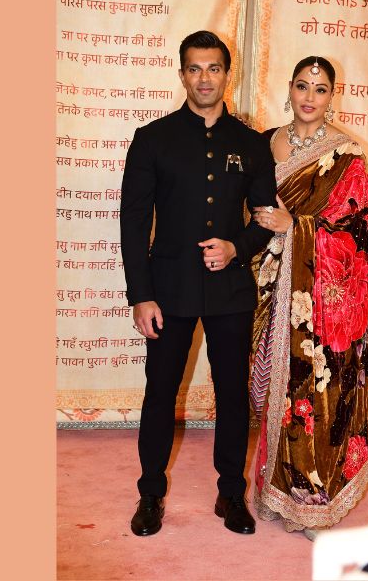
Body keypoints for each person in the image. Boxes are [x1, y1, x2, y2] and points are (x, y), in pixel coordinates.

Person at [120, 30, 277, 537]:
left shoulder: (251, 144)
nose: (204, 78)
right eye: (194, 68)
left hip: (231, 289)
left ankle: (230, 492)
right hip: (168, 290)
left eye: (213, 68)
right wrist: (141, 295)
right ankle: (150, 493)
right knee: (160, 392)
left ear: (226, 74)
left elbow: (265, 217)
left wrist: (237, 247)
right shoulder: (153, 139)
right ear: (182, 74)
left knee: (232, 394)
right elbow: (133, 222)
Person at [249, 56, 368, 536]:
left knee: (312, 392)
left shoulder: (348, 156)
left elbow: (354, 234)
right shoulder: (264, 144)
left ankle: (313, 499)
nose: (309, 97)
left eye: (320, 90)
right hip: (266, 284)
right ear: (289, 88)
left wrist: (295, 227)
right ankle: (275, 488)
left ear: (331, 97)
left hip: (319, 300)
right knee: (270, 388)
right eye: (302, 86)